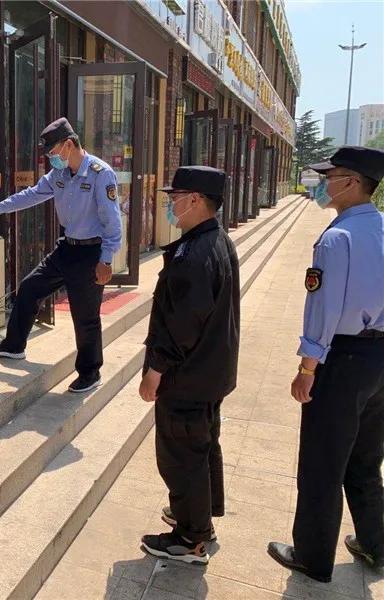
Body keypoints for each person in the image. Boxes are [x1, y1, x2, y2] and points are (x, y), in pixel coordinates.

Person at [268, 146, 384, 582]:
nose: (323, 184)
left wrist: (307, 368)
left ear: (352, 183)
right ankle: (376, 542)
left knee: (322, 463)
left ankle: (312, 557)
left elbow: (324, 309)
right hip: (380, 360)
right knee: (366, 457)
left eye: (330, 176)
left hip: (345, 359)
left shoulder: (337, 238)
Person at [0, 117, 122, 393]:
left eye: (54, 153)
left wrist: (106, 259)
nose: (52, 159)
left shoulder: (102, 174)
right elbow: (30, 195)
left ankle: (90, 373)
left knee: (85, 316)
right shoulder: (59, 175)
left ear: (68, 145)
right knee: (30, 287)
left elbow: (112, 222)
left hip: (92, 253)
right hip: (67, 248)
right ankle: (14, 345)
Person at [138, 166, 240, 565]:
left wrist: (155, 370)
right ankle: (199, 516)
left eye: (175, 197)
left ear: (195, 200)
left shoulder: (195, 254)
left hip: (188, 376)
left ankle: (190, 538)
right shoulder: (214, 240)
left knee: (181, 455)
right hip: (208, 373)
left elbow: (182, 323)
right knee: (201, 447)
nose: (170, 204)